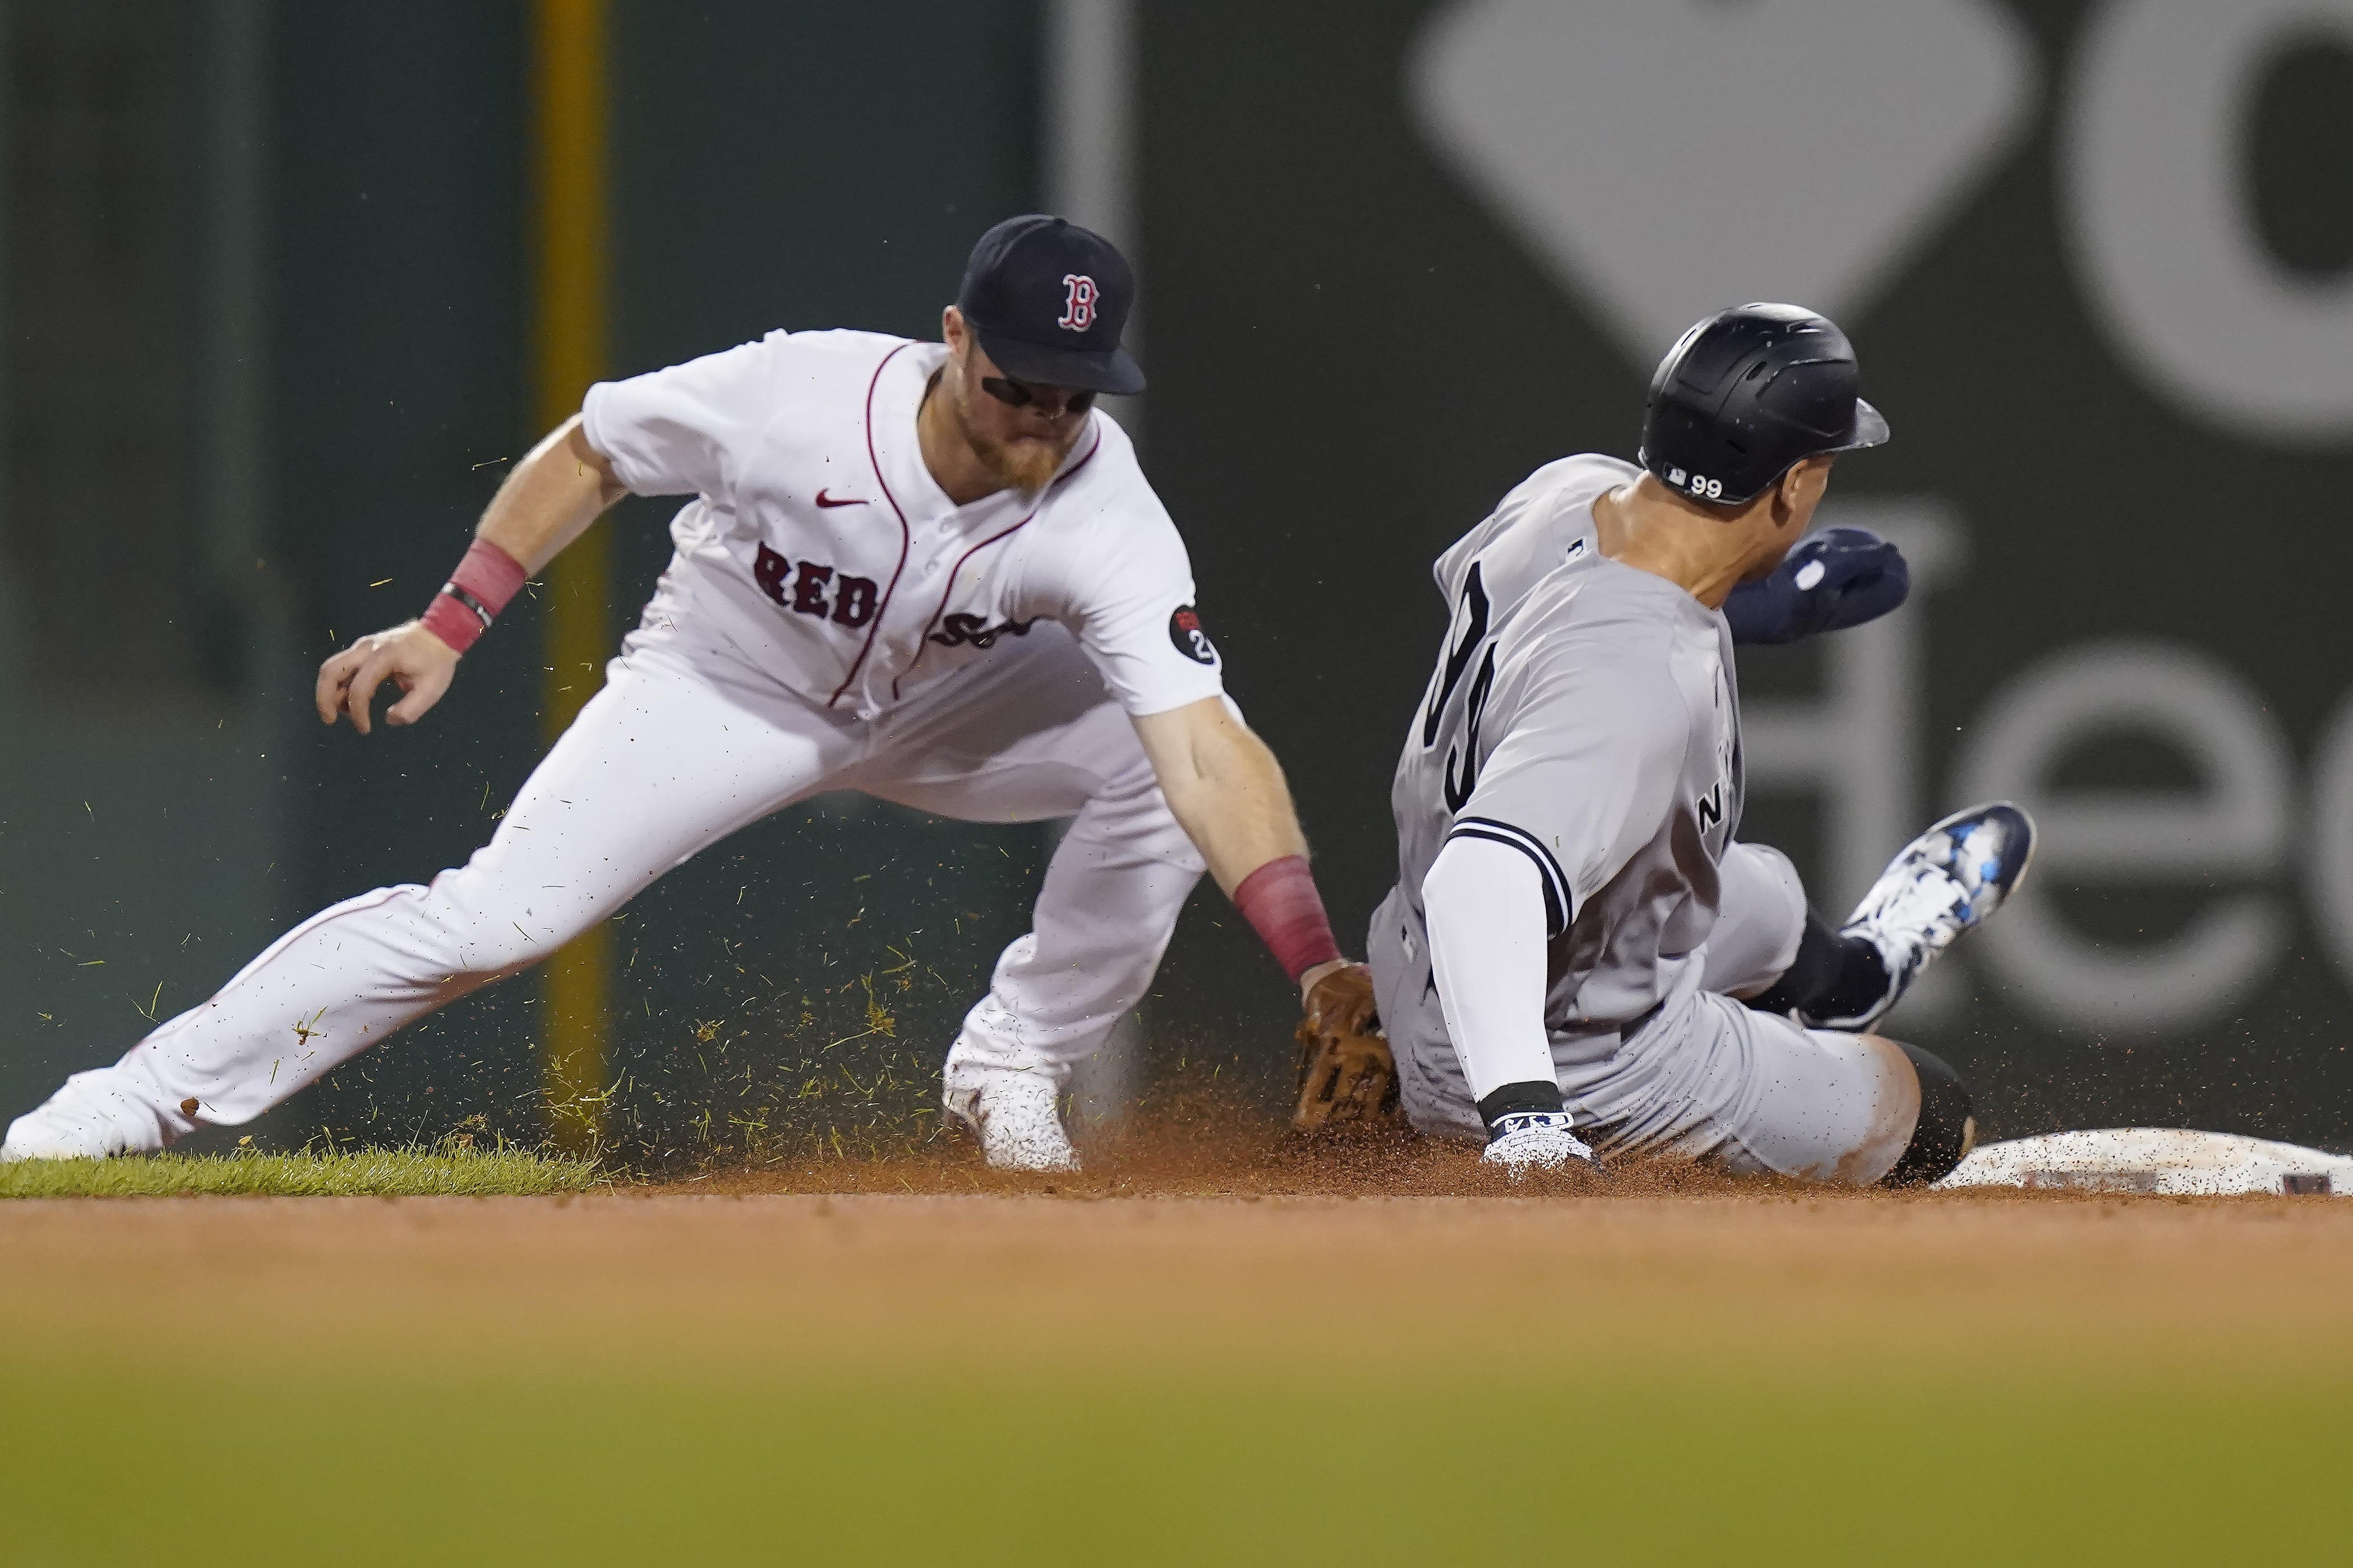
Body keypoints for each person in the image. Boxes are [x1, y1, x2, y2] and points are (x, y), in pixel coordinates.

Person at [3, 215, 1372, 1172]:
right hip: (730, 683)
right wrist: (450, 621)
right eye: (1019, 385)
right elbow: (596, 449)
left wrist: (1312, 959)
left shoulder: (1101, 501)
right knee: (499, 919)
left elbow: (1204, 751)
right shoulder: (795, 396)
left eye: (1075, 397)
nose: (1044, 422)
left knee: (1153, 754)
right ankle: (130, 1099)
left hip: (960, 708)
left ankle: (1012, 1066)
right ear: (952, 337)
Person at [1374, 303, 2033, 1183]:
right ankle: (1537, 1118)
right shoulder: (1634, 685)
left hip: (1416, 957)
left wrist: (1757, 602)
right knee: (1932, 1114)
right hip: (1576, 1060)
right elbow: (1481, 882)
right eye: (1827, 467)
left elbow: (1565, 620)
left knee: (1751, 892)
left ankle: (1857, 974)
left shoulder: (1563, 492)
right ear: (1793, 485)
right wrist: (1528, 1121)